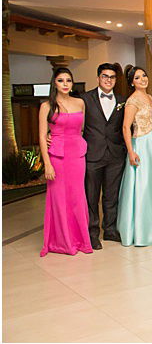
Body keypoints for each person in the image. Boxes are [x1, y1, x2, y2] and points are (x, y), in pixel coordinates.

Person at [117, 66, 152, 246]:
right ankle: (142, 230)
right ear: (132, 82)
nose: (143, 79)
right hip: (140, 144)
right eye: (137, 77)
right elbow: (126, 127)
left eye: (144, 75)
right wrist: (131, 151)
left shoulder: (150, 97)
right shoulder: (132, 101)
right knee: (143, 185)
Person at [38, 68, 92, 257]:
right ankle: (63, 242)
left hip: (77, 155)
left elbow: (82, 129)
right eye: (61, 80)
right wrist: (47, 163)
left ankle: (81, 240)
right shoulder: (46, 106)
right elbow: (42, 136)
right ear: (54, 83)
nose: (65, 84)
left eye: (68, 80)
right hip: (57, 157)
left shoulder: (80, 103)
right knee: (59, 198)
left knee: (78, 197)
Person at [81, 63, 127, 250]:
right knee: (91, 196)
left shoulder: (122, 100)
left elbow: (126, 126)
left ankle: (110, 229)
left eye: (112, 77)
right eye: (105, 76)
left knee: (112, 195)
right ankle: (92, 233)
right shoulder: (84, 99)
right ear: (98, 77)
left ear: (116, 80)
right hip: (93, 154)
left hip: (115, 154)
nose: (109, 80)